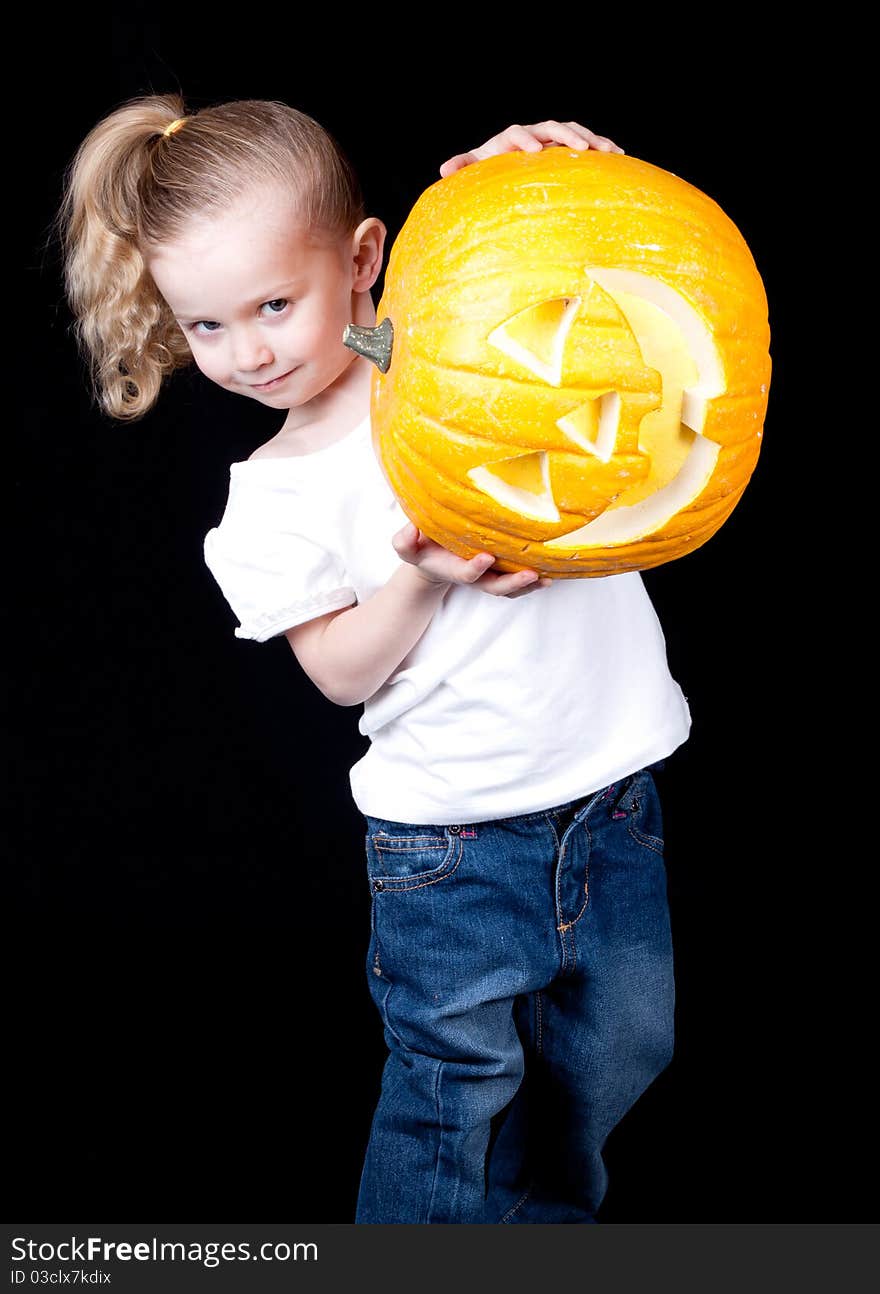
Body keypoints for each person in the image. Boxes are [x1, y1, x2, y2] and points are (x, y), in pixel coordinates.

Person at [56, 94, 688, 1224]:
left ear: (362, 261)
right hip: (451, 847)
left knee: (612, 1064)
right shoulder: (268, 499)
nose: (245, 352)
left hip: (608, 799)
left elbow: (529, 275)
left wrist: (514, 178)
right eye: (205, 327)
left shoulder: (448, 352)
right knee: (455, 1094)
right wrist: (420, 576)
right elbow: (340, 672)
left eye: (273, 304)